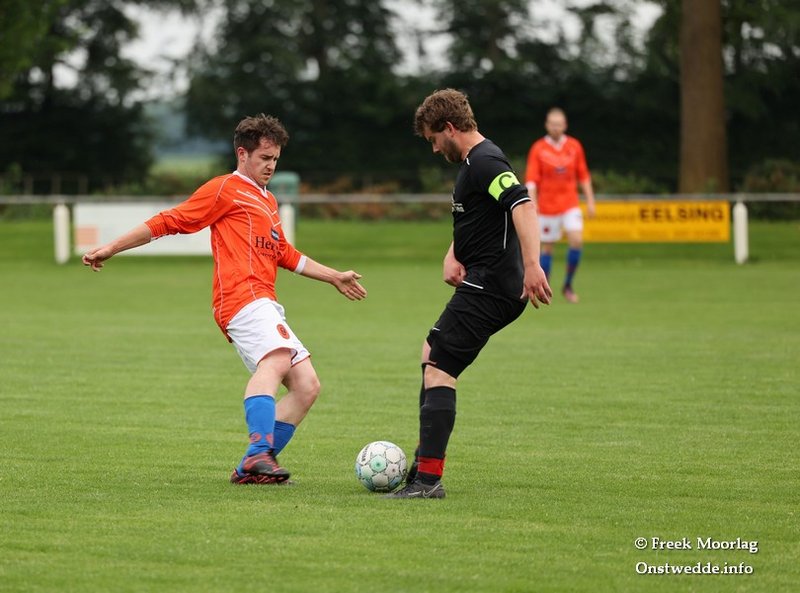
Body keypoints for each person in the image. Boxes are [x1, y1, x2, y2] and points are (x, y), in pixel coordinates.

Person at [83, 114, 367, 485]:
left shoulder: (268, 200)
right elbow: (170, 220)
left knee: (307, 386)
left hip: (263, 299)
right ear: (242, 154)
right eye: (264, 158)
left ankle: (251, 467)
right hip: (239, 296)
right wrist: (112, 247)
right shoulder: (224, 189)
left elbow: (283, 252)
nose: (271, 166)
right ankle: (260, 451)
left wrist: (333, 277)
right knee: (277, 358)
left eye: (275, 159)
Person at [385, 89, 552, 499]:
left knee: (440, 367)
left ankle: (428, 481)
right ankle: (422, 466)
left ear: (449, 127)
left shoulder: (487, 161)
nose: (433, 148)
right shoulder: (472, 164)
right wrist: (453, 252)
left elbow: (522, 206)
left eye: (433, 139)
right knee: (432, 353)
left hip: (492, 285)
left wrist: (533, 265)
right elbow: (480, 218)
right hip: (484, 280)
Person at [524, 107, 596, 303]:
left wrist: (590, 200)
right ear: (547, 125)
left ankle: (568, 285)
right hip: (547, 206)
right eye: (552, 124)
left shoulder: (574, 146)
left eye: (559, 124)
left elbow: (583, 175)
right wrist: (533, 203)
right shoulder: (538, 148)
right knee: (547, 247)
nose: (556, 128)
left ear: (565, 125)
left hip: (570, 204)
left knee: (576, 240)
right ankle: (544, 287)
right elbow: (531, 180)